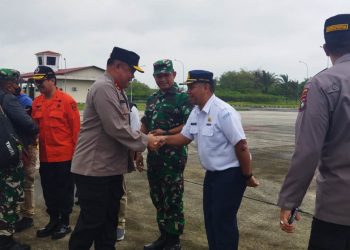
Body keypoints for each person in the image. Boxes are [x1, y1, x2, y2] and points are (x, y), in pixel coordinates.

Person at [69, 46, 159, 250]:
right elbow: (116, 127)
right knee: (91, 222)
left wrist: (134, 151)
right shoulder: (104, 88)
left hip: (110, 169)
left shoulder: (116, 89)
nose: (132, 77)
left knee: (109, 221)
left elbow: (123, 127)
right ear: (118, 66)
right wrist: (146, 141)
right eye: (131, 71)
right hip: (94, 171)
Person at [158, 70, 259, 250]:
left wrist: (247, 175)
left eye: (192, 87)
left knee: (223, 222)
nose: (188, 91)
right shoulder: (196, 112)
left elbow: (241, 145)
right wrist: (162, 140)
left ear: (206, 87)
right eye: (187, 87)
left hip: (230, 175)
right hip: (212, 176)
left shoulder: (224, 112)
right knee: (211, 220)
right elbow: (184, 137)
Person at [278, 14, 350, 249]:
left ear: (326, 48)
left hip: (339, 213)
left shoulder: (323, 84)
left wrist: (290, 200)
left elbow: (308, 150)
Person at [140, 59, 192, 250]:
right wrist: (139, 142)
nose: (162, 79)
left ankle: (174, 240)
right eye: (158, 76)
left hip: (173, 157)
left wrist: (166, 133)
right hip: (154, 157)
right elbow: (145, 122)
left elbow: (189, 125)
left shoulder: (183, 98)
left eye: (166, 75)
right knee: (158, 197)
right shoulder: (152, 99)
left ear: (174, 75)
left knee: (173, 198)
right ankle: (163, 236)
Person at [31, 66, 80, 240]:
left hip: (64, 157)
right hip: (45, 157)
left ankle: (64, 223)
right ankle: (53, 221)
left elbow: (76, 132)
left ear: (52, 80)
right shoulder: (37, 102)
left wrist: (77, 158)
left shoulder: (67, 101)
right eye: (36, 81)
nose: (38, 84)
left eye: (41, 81)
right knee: (49, 191)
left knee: (64, 192)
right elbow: (33, 128)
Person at [0, 68, 38, 250]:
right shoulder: (7, 99)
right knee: (10, 198)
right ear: (8, 84)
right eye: (15, 83)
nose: (17, 86)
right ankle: (6, 240)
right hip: (8, 157)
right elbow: (29, 125)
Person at [13, 83, 38, 232]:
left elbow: (33, 126)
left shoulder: (25, 102)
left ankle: (28, 215)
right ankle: (15, 212)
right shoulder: (7, 99)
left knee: (28, 181)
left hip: (27, 146)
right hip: (14, 147)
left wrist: (30, 147)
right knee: (15, 181)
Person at [116, 103, 142, 241]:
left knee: (120, 191)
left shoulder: (131, 108)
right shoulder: (104, 103)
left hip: (119, 157)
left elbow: (135, 132)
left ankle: (120, 224)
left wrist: (134, 156)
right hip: (102, 158)